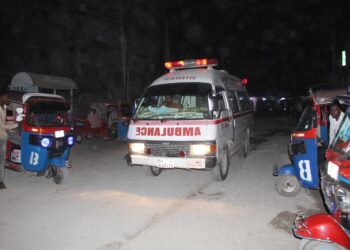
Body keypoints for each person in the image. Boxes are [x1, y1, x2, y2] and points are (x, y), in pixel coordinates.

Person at [0, 92, 18, 189]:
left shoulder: (5, 107)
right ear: (2, 97)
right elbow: (1, 125)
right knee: (1, 160)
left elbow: (5, 122)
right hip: (0, 136)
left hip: (4, 134)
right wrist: (15, 125)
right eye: (7, 97)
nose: (9, 100)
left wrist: (11, 128)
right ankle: (0, 182)